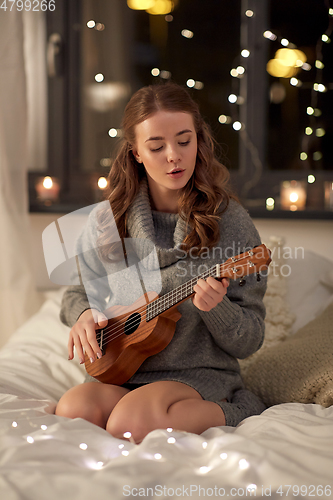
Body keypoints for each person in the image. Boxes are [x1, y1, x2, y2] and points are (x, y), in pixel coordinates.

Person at [56, 82, 267, 444]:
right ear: (136, 152)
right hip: (120, 370)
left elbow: (250, 339)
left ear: (199, 141)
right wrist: (83, 314)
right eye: (157, 146)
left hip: (197, 374)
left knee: (130, 424)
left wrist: (217, 309)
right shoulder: (108, 221)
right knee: (74, 412)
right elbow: (77, 291)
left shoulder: (230, 222)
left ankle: (239, 408)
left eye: (184, 141)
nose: (174, 155)